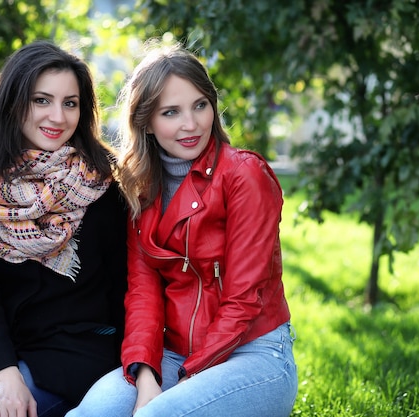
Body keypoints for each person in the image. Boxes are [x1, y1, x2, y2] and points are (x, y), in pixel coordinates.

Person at [66, 42, 298, 417]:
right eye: (171, 112)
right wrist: (146, 376)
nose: (191, 125)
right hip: (173, 354)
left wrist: (189, 381)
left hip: (254, 353)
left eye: (200, 105)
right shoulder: (140, 188)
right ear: (146, 122)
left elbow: (242, 300)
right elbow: (142, 294)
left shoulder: (244, 175)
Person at [0, 40, 128, 417]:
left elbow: (123, 282)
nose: (57, 117)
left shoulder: (102, 179)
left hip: (78, 348)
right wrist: (6, 374)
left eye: (70, 103)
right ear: (13, 102)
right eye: (41, 100)